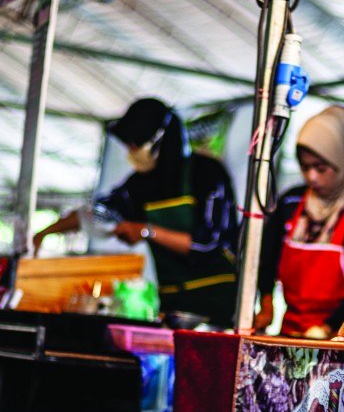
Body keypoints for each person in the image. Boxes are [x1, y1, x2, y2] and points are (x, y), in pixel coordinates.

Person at [32, 98, 239, 328]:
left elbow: (208, 244)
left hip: (219, 306)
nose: (130, 151)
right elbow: (98, 212)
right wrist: (44, 233)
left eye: (134, 144)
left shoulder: (207, 173)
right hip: (173, 304)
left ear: (159, 139)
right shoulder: (139, 186)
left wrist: (145, 231)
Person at [254, 104, 344, 339]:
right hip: (290, 334)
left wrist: (327, 327)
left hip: (343, 341)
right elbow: (265, 259)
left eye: (321, 168)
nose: (311, 177)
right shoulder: (291, 202)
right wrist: (266, 304)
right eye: (305, 167)